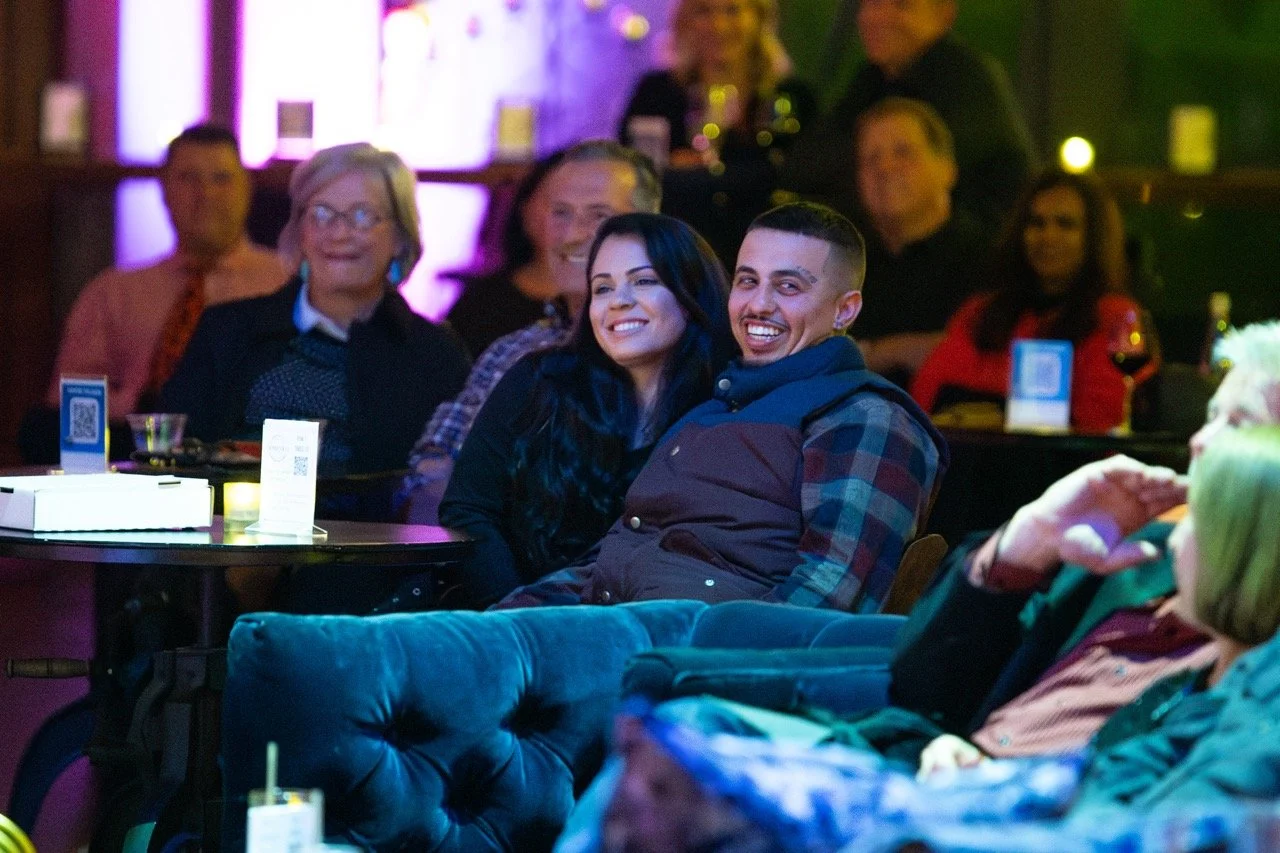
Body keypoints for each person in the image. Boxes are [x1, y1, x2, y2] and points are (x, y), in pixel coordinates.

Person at [497, 202, 946, 611]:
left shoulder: (865, 416)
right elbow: (613, 561)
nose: (758, 305)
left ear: (845, 311)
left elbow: (828, 596)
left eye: (788, 286)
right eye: (747, 281)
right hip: (607, 626)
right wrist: (511, 615)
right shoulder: (710, 410)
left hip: (684, 653)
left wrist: (689, 660)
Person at [438, 213, 736, 607]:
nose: (619, 301)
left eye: (643, 281)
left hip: (656, 626)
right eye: (603, 288)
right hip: (516, 621)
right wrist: (518, 613)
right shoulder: (538, 381)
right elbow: (468, 510)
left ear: (691, 294)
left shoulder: (730, 408)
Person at [159, 142, 470, 478]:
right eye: (321, 214)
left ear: (400, 238)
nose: (338, 233)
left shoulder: (435, 355)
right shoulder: (226, 331)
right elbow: (175, 462)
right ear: (300, 233)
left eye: (363, 216)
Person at [398, 140, 663, 523]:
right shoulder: (513, 350)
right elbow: (430, 467)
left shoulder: (666, 346)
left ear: (649, 229)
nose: (572, 234)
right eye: (560, 213)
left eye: (598, 215)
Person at [42, 124, 286, 418]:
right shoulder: (113, 294)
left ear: (247, 188)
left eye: (221, 178)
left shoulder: (289, 285)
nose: (206, 194)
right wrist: (140, 408)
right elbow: (66, 402)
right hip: (136, 442)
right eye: (189, 179)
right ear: (164, 189)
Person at [910, 168, 1146, 432]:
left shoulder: (1114, 317)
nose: (1048, 236)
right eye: (1036, 223)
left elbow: (1101, 419)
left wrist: (991, 406)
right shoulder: (981, 312)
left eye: (1065, 224)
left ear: (1094, 237)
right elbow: (927, 395)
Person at [781, 0, 1032, 242]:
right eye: (871, 3)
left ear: (944, 13)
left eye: (902, 4)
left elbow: (907, 185)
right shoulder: (872, 81)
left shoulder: (965, 82)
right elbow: (805, 167)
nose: (878, 17)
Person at [618, 0, 816, 264]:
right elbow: (631, 179)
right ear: (685, 21)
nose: (718, 25)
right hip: (674, 255)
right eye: (704, 11)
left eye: (732, 10)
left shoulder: (791, 98)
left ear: (758, 18)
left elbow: (801, 178)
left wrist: (697, 175)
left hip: (768, 257)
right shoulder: (656, 94)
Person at [850, 97, 987, 386]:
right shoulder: (845, 265)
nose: (885, 168)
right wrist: (895, 351)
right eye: (871, 158)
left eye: (903, 152)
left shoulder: (989, 260)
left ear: (947, 169)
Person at [444, 150, 566, 359]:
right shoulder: (480, 305)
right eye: (557, 204)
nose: (572, 223)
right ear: (525, 208)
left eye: (595, 210)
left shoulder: (611, 305)